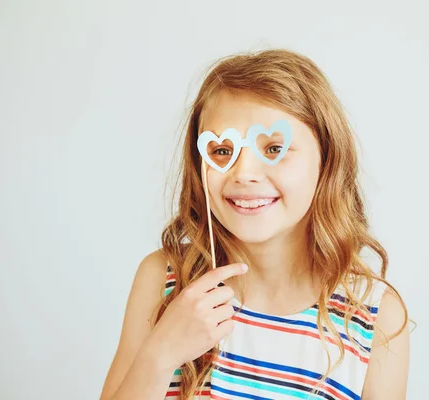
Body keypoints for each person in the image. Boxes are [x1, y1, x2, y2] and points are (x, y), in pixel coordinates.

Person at [100, 49, 410, 400]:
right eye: (221, 151)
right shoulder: (163, 279)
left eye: (275, 148)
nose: (244, 173)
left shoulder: (374, 318)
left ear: (326, 159)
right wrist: (160, 355)